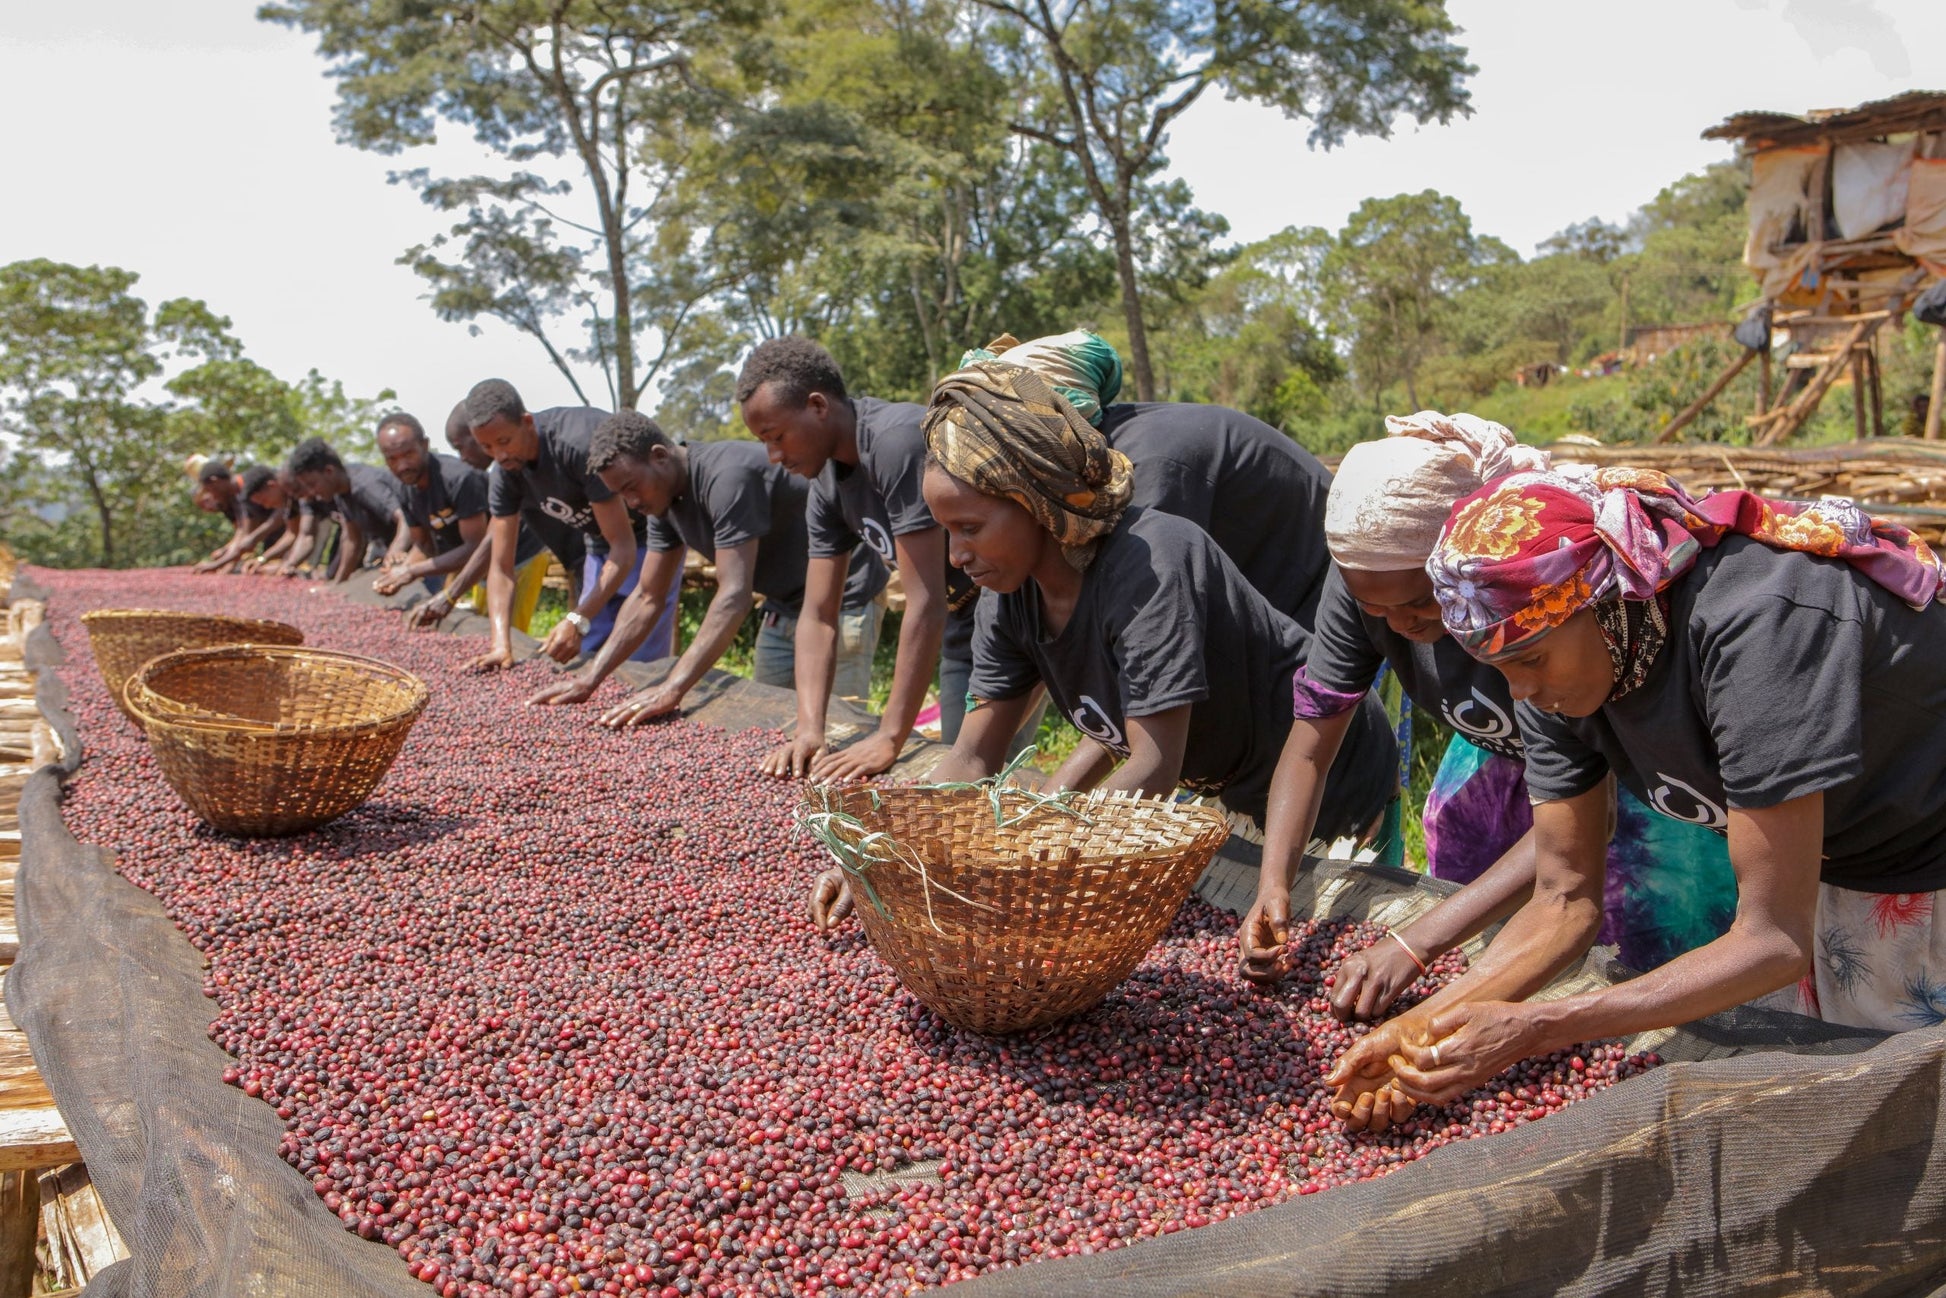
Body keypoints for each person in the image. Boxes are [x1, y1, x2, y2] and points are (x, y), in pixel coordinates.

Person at [1328, 466, 1946, 1133]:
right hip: (1830, 859)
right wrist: (1422, 1035)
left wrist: (1536, 1027)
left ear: (1600, 600)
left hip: (1920, 858)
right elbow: (1565, 900)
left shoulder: (1757, 628)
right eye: (1501, 671)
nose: (1522, 693)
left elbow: (1771, 939)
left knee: (1901, 1116)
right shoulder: (1545, 657)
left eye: (1531, 662)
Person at [1239, 414, 1735, 1016]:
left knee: (1643, 940)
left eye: (1423, 602)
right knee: (1474, 896)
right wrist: (1273, 884)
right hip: (1500, 744)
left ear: (1466, 560)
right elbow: (1311, 746)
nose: (1401, 626)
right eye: (1374, 608)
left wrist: (1414, 945)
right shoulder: (1370, 586)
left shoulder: (1542, 613)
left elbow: (1575, 844)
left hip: (1633, 770)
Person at [529, 411, 888, 721]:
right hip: (784, 607)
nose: (631, 502)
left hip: (844, 601)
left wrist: (673, 687)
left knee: (833, 724)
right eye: (621, 495)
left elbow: (734, 595)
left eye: (631, 487)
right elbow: (647, 597)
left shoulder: (727, 478)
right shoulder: (663, 503)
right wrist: (589, 679)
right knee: (769, 721)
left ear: (659, 456)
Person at [740, 338, 965, 781]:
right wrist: (809, 729)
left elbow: (925, 602)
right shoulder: (825, 484)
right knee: (962, 770)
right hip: (963, 620)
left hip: (1012, 611)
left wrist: (890, 736)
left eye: (777, 436)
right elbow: (820, 614)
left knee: (974, 772)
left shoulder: (894, 443)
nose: (774, 456)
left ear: (818, 405)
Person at [461, 379, 677, 673]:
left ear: (526, 422)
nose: (499, 456)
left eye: (504, 442)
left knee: (640, 651)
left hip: (652, 533)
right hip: (601, 543)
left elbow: (624, 549)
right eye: (486, 447)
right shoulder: (505, 474)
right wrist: (501, 644)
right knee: (587, 649)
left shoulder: (575, 445)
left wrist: (576, 618)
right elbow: (501, 568)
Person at [404, 403, 577, 634]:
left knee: (512, 630)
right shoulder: (497, 474)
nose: (462, 457)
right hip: (492, 564)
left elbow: (489, 540)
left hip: (524, 557)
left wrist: (449, 595)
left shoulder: (515, 466)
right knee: (487, 626)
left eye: (461, 447)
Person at [284, 437, 412, 583]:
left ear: (329, 471)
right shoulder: (341, 494)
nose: (311, 492)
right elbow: (352, 539)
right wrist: (338, 583)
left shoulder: (364, 485)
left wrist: (394, 553)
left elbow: (405, 519)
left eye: (312, 484)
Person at [189, 457, 285, 573]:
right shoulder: (235, 498)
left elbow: (251, 535)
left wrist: (220, 564)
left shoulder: (247, 487)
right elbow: (242, 531)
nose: (213, 495)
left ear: (215, 481)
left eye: (210, 490)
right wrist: (226, 555)